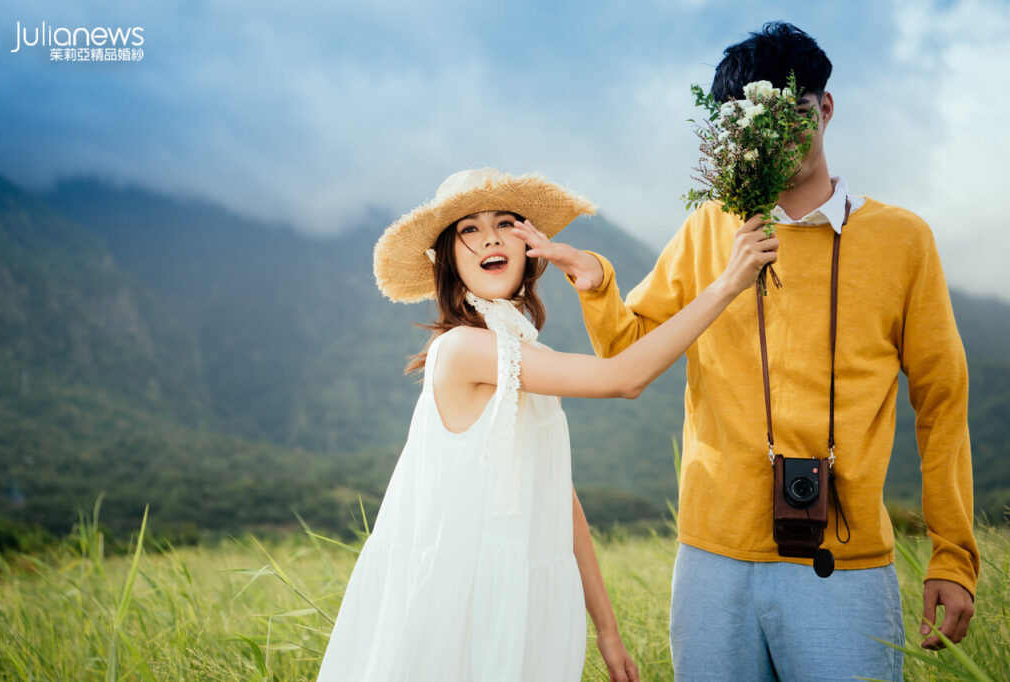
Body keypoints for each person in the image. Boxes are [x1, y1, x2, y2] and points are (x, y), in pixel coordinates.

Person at [520, 20, 980, 681]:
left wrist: (953, 557)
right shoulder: (710, 226)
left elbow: (942, 401)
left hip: (843, 567)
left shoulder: (904, 241)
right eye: (753, 121)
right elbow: (628, 348)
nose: (775, 137)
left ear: (825, 107)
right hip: (712, 564)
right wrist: (597, 283)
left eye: (792, 113)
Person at [316, 166, 778, 681]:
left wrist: (607, 629)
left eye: (504, 223)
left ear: (529, 245)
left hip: (521, 596)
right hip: (466, 605)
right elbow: (625, 378)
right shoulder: (464, 349)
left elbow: (559, 494)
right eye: (468, 229)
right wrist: (728, 284)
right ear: (447, 259)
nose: (489, 236)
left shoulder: (523, 351)